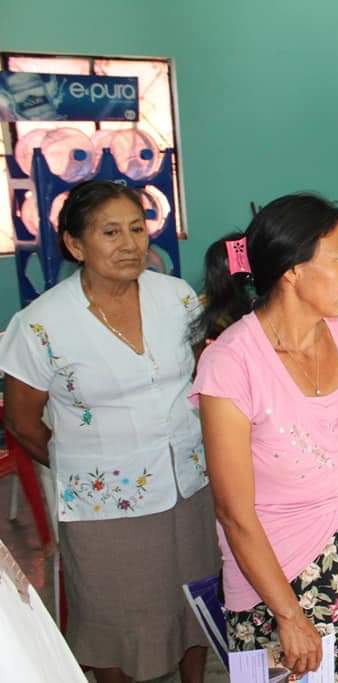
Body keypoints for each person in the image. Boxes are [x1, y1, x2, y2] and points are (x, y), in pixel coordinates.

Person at [0, 180, 216, 683]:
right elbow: (22, 421)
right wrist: (88, 465)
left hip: (190, 485)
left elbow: (203, 376)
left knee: (194, 602)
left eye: (138, 229)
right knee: (112, 619)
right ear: (76, 245)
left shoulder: (177, 297)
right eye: (111, 232)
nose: (131, 243)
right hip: (103, 503)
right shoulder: (42, 324)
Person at [190, 194, 338, 679]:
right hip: (271, 578)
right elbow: (234, 514)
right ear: (293, 270)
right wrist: (290, 616)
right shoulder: (231, 363)